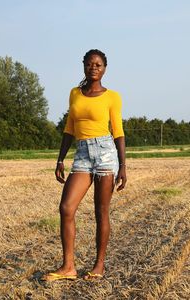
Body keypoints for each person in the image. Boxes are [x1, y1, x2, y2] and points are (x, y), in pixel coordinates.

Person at [42, 49, 127, 281]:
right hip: (81, 154)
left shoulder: (112, 96)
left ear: (104, 68)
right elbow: (69, 127)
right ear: (84, 66)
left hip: (105, 154)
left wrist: (123, 166)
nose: (94, 68)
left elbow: (118, 132)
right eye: (90, 64)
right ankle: (68, 267)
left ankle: (98, 265)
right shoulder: (75, 93)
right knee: (66, 207)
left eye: (98, 65)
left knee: (101, 212)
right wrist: (60, 159)